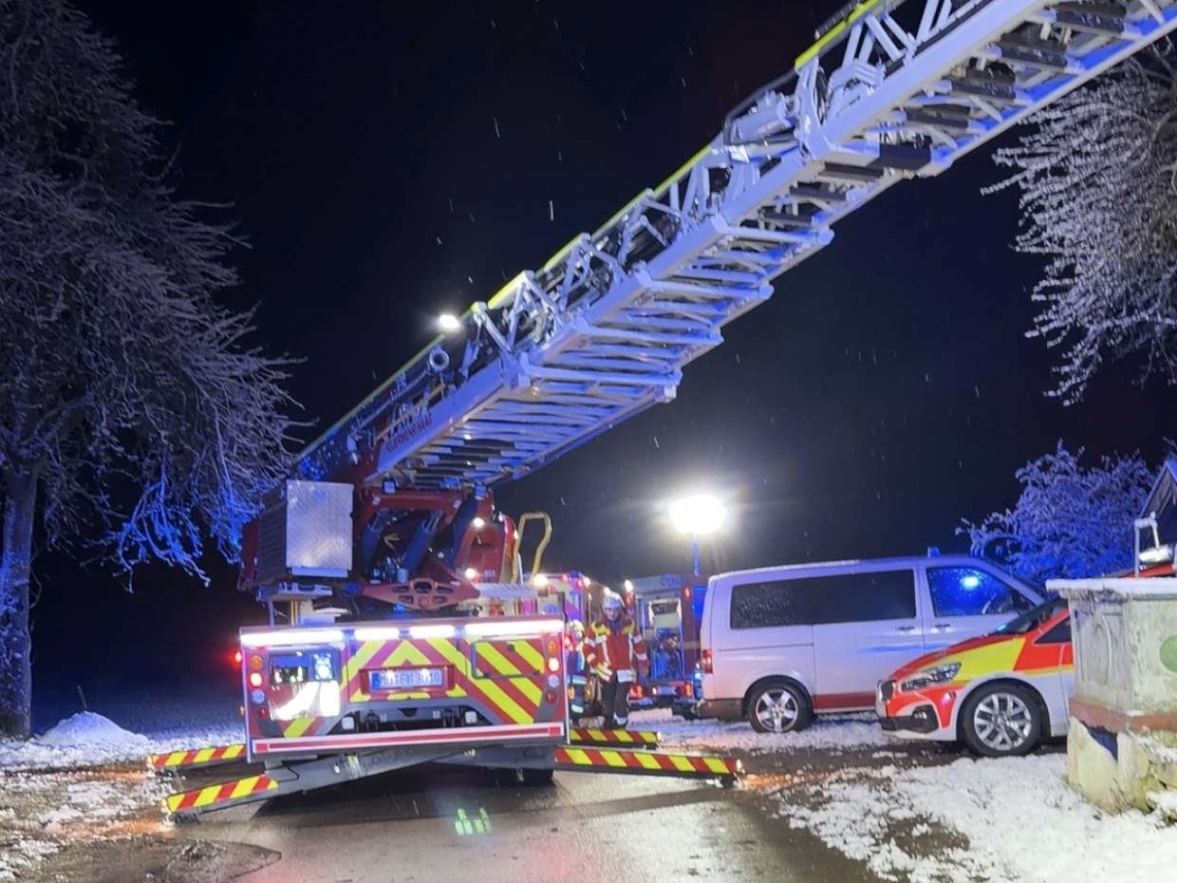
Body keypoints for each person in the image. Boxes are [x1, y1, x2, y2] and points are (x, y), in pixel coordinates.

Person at [584, 592, 648, 728]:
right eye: (609, 610)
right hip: (606, 672)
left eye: (615, 610)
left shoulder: (629, 625)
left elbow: (639, 646)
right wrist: (596, 664)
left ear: (620, 609)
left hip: (626, 671)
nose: (612, 613)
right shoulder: (595, 627)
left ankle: (621, 725)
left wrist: (644, 664)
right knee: (608, 704)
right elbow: (587, 649)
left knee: (620, 700)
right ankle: (610, 726)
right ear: (604, 609)